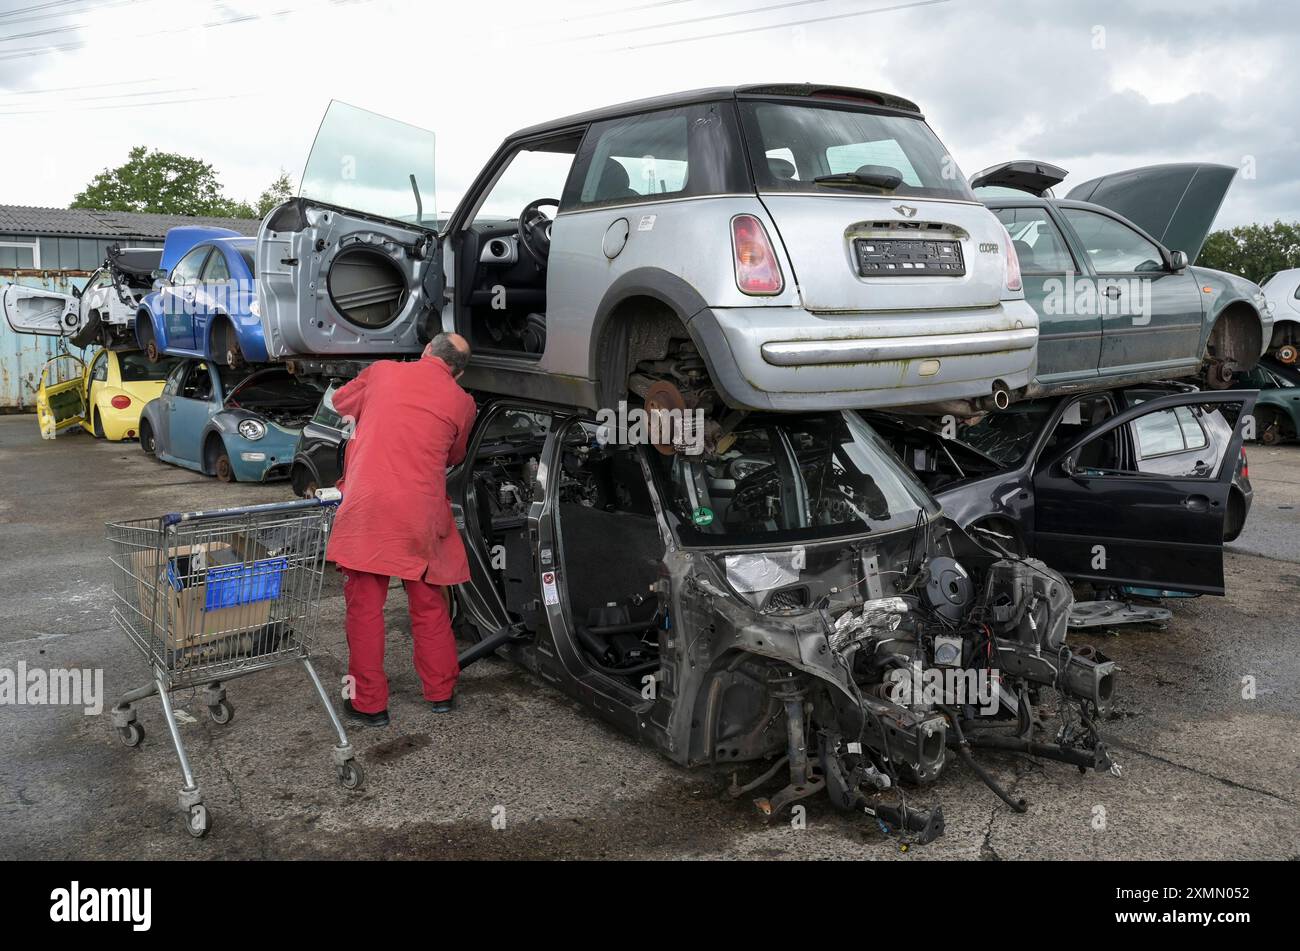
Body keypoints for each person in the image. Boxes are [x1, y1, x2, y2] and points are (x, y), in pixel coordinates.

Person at [326, 333, 476, 725]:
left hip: (369, 509)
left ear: (427, 350)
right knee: (429, 604)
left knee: (365, 608)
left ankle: (370, 705)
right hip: (421, 514)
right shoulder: (462, 402)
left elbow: (339, 403)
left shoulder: (382, 372)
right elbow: (454, 455)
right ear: (457, 374)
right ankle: (441, 693)